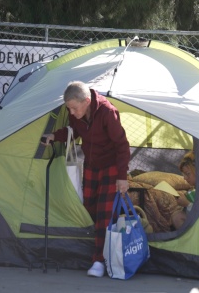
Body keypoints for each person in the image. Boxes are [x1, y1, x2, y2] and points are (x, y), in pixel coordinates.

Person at [42, 81, 130, 277]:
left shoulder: (107, 112)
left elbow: (122, 145)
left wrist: (122, 177)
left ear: (87, 101)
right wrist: (54, 136)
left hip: (111, 168)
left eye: (74, 108)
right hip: (91, 167)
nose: (71, 113)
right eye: (69, 109)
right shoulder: (77, 115)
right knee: (89, 207)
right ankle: (104, 249)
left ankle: (99, 261)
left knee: (103, 214)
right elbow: (72, 133)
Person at [171, 151, 196, 230]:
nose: (185, 178)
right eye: (183, 174)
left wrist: (187, 204)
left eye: (188, 173)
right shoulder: (196, 189)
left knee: (178, 217)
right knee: (177, 214)